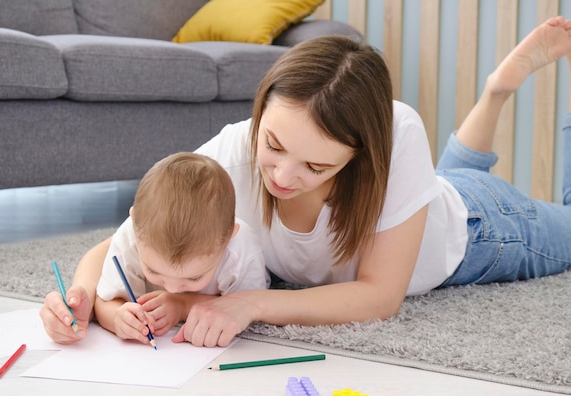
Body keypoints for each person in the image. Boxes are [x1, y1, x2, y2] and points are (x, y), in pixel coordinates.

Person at [40, 16, 571, 348]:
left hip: (483, 229)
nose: (283, 177)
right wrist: (87, 302)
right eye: (272, 146)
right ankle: (497, 91)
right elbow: (120, 242)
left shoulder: (398, 129)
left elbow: (379, 298)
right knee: (443, 178)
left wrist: (245, 305)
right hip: (436, 193)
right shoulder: (233, 148)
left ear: (363, 153)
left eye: (317, 167)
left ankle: (504, 94)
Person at [48, 152, 269, 345]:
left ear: (228, 238)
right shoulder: (131, 236)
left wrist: (182, 305)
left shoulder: (242, 250)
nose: (171, 288)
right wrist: (117, 318)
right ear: (135, 226)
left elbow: (250, 308)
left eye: (193, 278)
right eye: (154, 272)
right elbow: (104, 301)